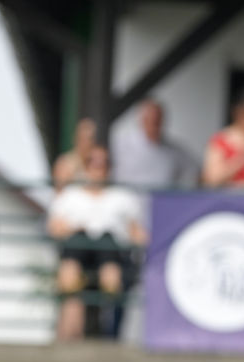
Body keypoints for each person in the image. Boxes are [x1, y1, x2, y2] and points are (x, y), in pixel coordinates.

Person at [45, 145, 145, 341]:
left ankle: (104, 331)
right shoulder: (70, 196)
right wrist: (76, 228)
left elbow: (137, 233)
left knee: (109, 259)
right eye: (93, 162)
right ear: (86, 166)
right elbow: (54, 228)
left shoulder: (123, 198)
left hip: (111, 249)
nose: (99, 168)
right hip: (78, 246)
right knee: (72, 264)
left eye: (104, 163)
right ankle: (72, 335)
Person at [111, 98, 197, 190]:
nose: (153, 125)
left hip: (162, 201)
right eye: (149, 120)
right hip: (126, 200)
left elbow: (195, 173)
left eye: (157, 121)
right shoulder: (120, 143)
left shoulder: (175, 150)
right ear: (141, 120)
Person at [53, 117, 99, 190]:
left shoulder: (98, 163)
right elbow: (59, 190)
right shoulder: (65, 163)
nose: (87, 143)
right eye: (83, 139)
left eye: (90, 139)